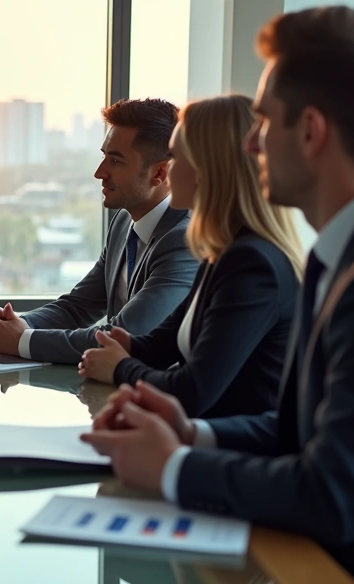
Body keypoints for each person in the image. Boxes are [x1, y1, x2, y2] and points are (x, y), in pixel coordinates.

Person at [82, 8, 354, 584]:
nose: (249, 142)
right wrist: (193, 433)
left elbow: (336, 494)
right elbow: (299, 430)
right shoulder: (345, 254)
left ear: (312, 131)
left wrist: (175, 466)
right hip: (317, 578)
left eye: (264, 121)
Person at [78, 95, 302, 419]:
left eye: (177, 158)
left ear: (206, 170)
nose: (167, 172)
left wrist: (120, 367)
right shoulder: (221, 251)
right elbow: (163, 343)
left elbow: (192, 391)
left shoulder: (252, 263)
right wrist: (125, 346)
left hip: (231, 453)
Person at [0, 99, 199, 365]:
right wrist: (17, 324)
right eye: (104, 155)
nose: (99, 172)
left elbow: (125, 336)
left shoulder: (183, 241)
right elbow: (78, 307)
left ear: (160, 173)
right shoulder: (122, 223)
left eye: (115, 161)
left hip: (159, 396)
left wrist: (22, 340)